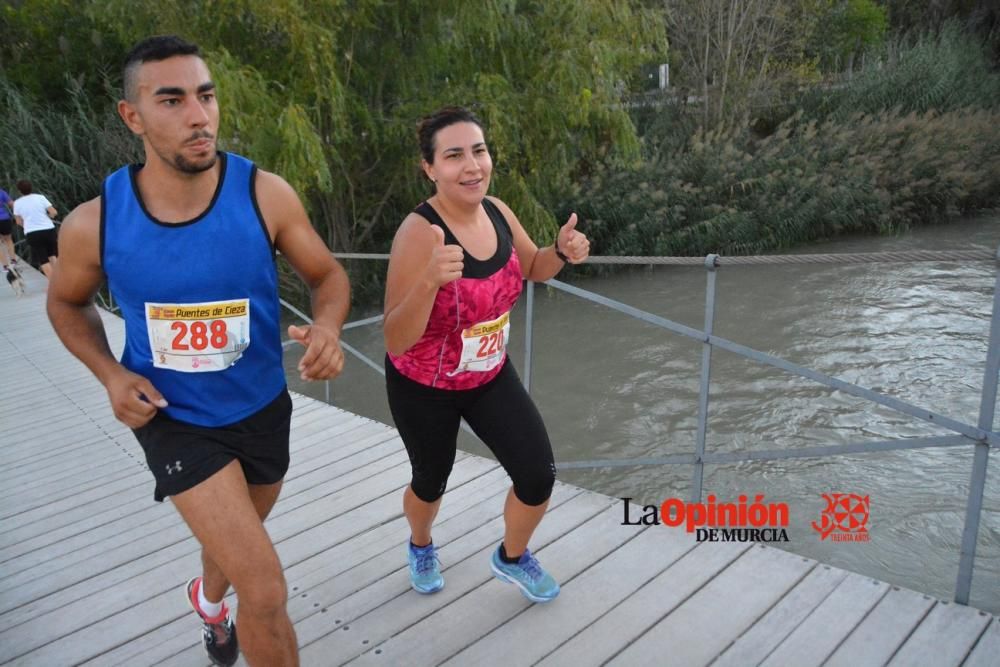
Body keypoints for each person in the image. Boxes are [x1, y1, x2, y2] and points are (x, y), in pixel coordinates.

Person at [46, 35, 349, 667]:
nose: (198, 115)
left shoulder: (264, 194)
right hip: (174, 418)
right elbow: (65, 302)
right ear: (133, 117)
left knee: (238, 545)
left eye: (206, 96)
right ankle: (230, 609)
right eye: (173, 100)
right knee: (264, 588)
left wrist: (327, 327)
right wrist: (108, 373)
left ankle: (208, 601)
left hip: (262, 406)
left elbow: (328, 277)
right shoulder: (93, 223)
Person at [383, 106, 590, 603]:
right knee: (430, 482)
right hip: (425, 386)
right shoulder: (418, 234)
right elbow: (394, 338)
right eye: (454, 155)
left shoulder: (497, 211)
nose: (472, 165)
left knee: (538, 474)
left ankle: (512, 557)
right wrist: (430, 280)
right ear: (430, 168)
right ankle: (421, 543)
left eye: (478, 150)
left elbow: (534, 267)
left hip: (489, 374)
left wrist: (560, 251)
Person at [12, 179, 58, 276]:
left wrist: (28, 225)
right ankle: (60, 280)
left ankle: (53, 284)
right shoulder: (40, 197)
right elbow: (53, 212)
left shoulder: (17, 203)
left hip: (32, 233)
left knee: (43, 259)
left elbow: (18, 221)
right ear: (31, 188)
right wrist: (48, 217)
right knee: (52, 255)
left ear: (19, 191)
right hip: (49, 230)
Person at [0, 187, 18, 270]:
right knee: (8, 240)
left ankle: (5, 266)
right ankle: (13, 260)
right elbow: (12, 204)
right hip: (4, 219)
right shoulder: (2, 192)